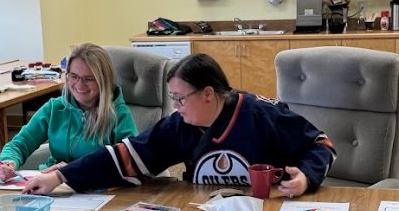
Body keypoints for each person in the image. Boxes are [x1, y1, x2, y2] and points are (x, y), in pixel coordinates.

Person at [22, 52, 336, 196]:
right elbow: (124, 156)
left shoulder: (261, 114)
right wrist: (61, 176)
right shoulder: (180, 125)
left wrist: (306, 177)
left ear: (208, 94)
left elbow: (320, 143)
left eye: (180, 98)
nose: (175, 107)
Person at [0, 43, 137, 183]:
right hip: (52, 187)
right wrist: (8, 162)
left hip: (96, 190)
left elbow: (129, 164)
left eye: (89, 79)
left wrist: (70, 171)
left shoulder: (119, 115)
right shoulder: (54, 108)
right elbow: (20, 144)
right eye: (74, 76)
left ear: (103, 80)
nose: (79, 85)